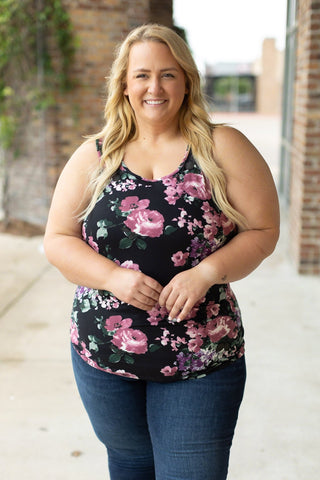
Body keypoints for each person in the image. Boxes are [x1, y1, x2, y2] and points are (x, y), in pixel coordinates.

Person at [44, 23, 280, 480]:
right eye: (142, 75)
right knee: (130, 464)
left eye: (168, 74)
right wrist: (113, 278)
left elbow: (264, 230)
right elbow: (57, 240)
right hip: (104, 357)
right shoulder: (95, 156)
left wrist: (206, 271)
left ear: (187, 81)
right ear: (125, 85)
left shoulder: (222, 147)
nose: (155, 87)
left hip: (200, 357)